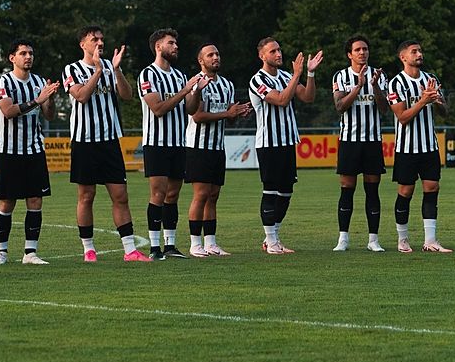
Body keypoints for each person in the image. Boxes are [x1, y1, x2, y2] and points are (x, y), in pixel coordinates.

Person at [62, 25, 149, 262]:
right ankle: (88, 249)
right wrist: (98, 71)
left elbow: (127, 95)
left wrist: (117, 69)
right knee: (86, 196)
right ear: (83, 44)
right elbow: (80, 95)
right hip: (85, 141)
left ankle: (130, 250)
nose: (100, 43)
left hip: (109, 140)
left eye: (101, 39)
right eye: (94, 39)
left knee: (120, 195)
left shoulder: (111, 66)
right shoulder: (72, 69)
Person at [249, 37, 323, 254]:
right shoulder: (257, 80)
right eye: (272, 51)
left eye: (279, 50)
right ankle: (271, 241)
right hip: (269, 144)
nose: (278, 54)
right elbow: (281, 99)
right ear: (262, 56)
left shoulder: (284, 76)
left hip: (287, 141)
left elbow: (308, 97)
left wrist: (309, 74)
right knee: (270, 191)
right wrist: (297, 75)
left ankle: (272, 238)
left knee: (286, 192)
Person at [137, 28, 204, 260]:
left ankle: (170, 245)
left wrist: (196, 93)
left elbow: (190, 110)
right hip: (156, 143)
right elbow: (158, 109)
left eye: (176, 43)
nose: (176, 47)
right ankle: (154, 248)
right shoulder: (147, 75)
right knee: (158, 192)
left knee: (173, 194)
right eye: (171, 43)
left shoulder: (178, 75)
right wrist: (185, 90)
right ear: (158, 47)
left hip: (178, 142)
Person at [0, 40, 59, 265]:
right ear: (12, 58)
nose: (28, 57)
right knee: (7, 202)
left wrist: (49, 99)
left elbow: (48, 115)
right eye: (23, 53)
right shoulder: (3, 81)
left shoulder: (39, 81)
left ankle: (30, 253)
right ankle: (2, 252)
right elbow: (8, 111)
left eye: (30, 53)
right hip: (10, 150)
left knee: (35, 200)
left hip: (34, 150)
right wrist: (37, 100)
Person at [184, 43, 251, 257]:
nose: (215, 57)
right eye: (210, 55)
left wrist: (238, 114)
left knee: (213, 195)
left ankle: (211, 243)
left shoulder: (227, 85)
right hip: (198, 146)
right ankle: (195, 244)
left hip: (217, 147)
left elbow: (227, 117)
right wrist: (227, 114)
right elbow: (197, 116)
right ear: (201, 61)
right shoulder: (196, 83)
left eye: (217, 53)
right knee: (201, 194)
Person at [387, 41, 451, 253]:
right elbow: (402, 117)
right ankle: (402, 239)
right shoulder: (396, 83)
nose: (419, 54)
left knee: (432, 188)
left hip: (429, 146)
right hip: (407, 148)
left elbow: (444, 113)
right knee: (406, 191)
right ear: (403, 57)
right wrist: (423, 101)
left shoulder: (430, 79)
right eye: (414, 51)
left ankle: (430, 240)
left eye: (420, 51)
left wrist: (437, 101)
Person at [331, 35, 389, 252]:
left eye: (365, 49)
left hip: (372, 141)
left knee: (372, 190)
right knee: (347, 189)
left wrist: (374, 87)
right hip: (349, 141)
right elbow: (339, 106)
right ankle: (343, 239)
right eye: (357, 49)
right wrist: (358, 87)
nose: (362, 52)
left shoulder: (379, 77)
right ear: (349, 54)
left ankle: (373, 240)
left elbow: (384, 108)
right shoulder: (341, 76)